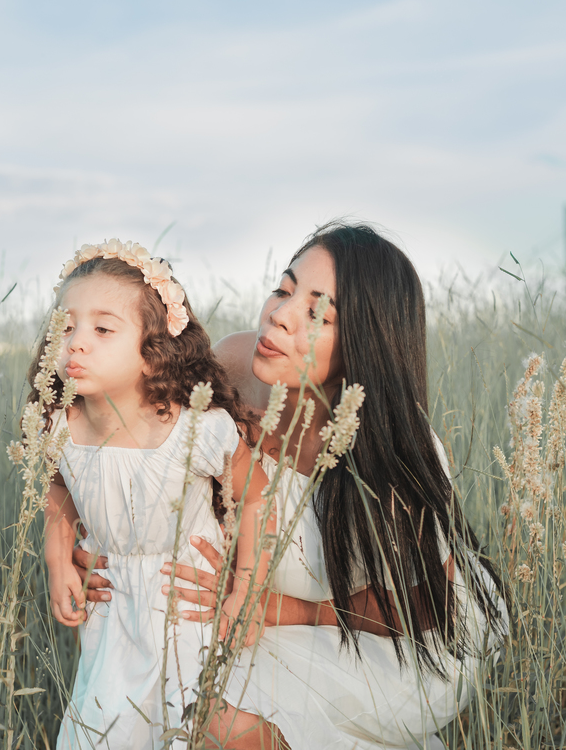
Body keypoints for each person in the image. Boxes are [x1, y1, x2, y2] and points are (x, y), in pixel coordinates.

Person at [74, 222, 508, 749]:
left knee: (209, 722)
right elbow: (128, 444)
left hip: (395, 637)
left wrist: (285, 610)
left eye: (316, 313)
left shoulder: (391, 451)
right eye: (283, 290)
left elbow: (428, 608)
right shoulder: (226, 369)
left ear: (362, 345)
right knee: (154, 697)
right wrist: (105, 543)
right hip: (244, 612)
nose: (279, 315)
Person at [36, 239, 272, 750]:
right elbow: (60, 492)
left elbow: (255, 495)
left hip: (185, 605)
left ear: (152, 353)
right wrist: (58, 560)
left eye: (102, 329)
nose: (76, 342)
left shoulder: (196, 431)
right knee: (105, 730)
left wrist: (245, 589)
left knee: (186, 726)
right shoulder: (59, 426)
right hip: (111, 610)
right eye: (66, 325)